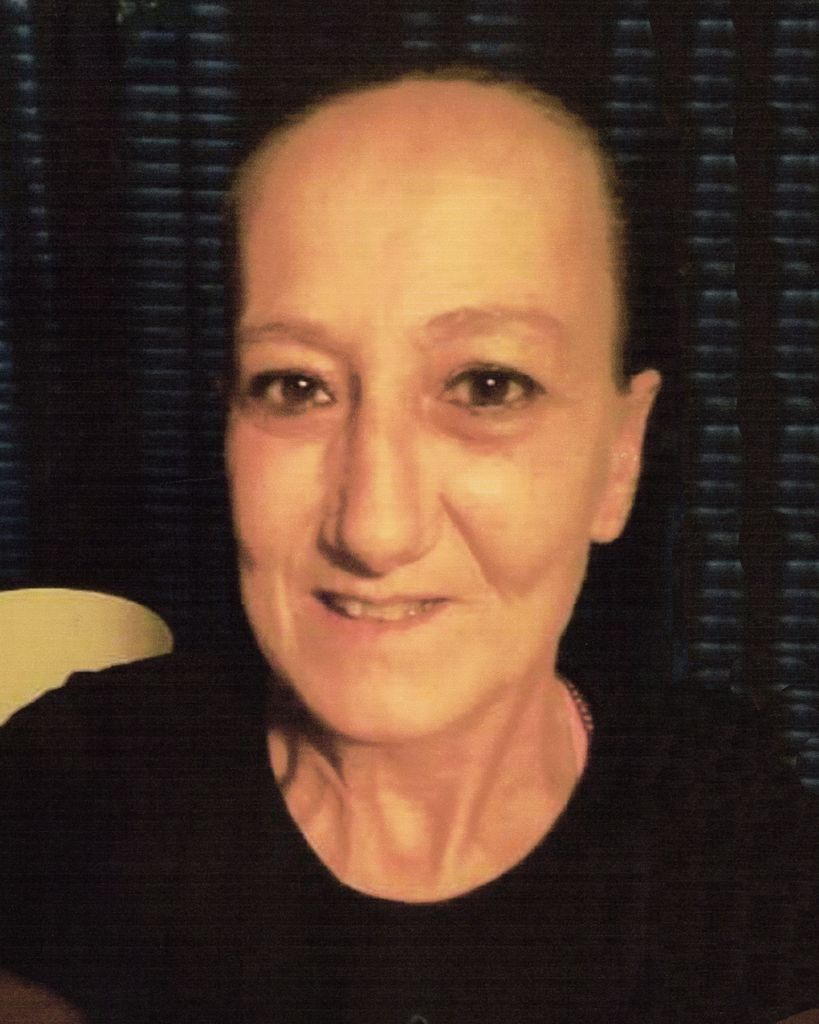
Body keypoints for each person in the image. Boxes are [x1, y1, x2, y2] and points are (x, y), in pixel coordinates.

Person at [1, 69, 818, 1024]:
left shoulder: (722, 825)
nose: (373, 527)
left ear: (619, 456)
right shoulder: (80, 788)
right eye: (295, 386)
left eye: (487, 386)